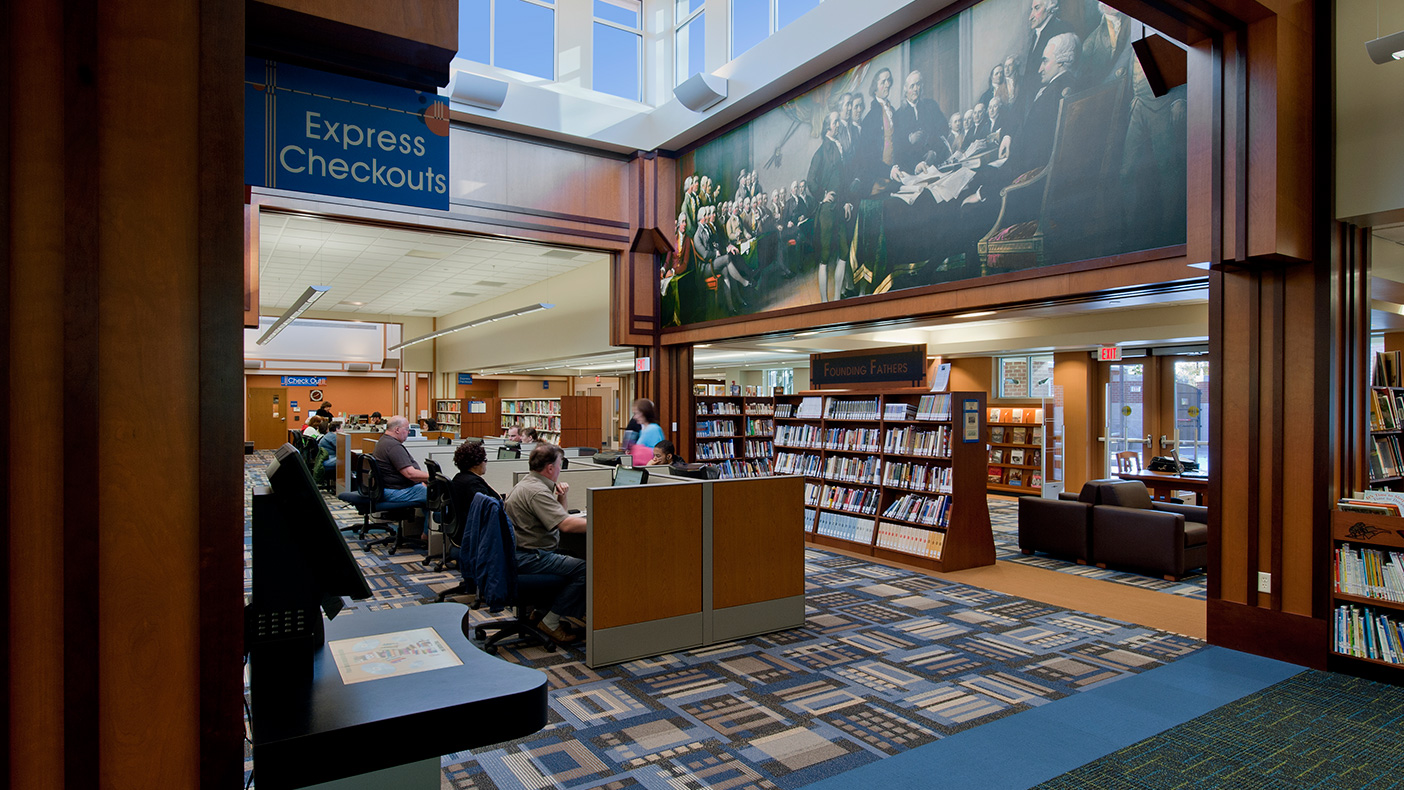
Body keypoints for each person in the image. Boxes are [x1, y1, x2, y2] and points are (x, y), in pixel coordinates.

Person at [502, 444, 586, 644]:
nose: (560, 469)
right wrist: (603, 521)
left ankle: (540, 613)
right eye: (559, 465)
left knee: (570, 556)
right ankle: (550, 621)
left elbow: (557, 519)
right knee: (585, 568)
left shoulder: (529, 483)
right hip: (530, 556)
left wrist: (562, 497)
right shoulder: (537, 491)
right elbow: (565, 525)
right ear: (549, 468)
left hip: (525, 552)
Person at [371, 415, 429, 530]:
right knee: (438, 496)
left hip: (387, 488)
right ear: (397, 430)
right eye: (407, 429)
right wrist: (433, 476)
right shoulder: (393, 446)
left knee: (425, 491)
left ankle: (423, 532)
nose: (408, 433)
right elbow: (410, 474)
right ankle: (428, 535)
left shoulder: (383, 441)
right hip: (394, 491)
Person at [451, 440, 500, 505]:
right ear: (476, 464)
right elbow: (492, 504)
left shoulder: (459, 478)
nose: (485, 464)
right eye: (484, 460)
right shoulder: (474, 484)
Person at [629, 398, 664, 467]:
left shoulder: (653, 429)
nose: (635, 417)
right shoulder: (643, 430)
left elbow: (659, 455)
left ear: (645, 413)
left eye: (637, 413)